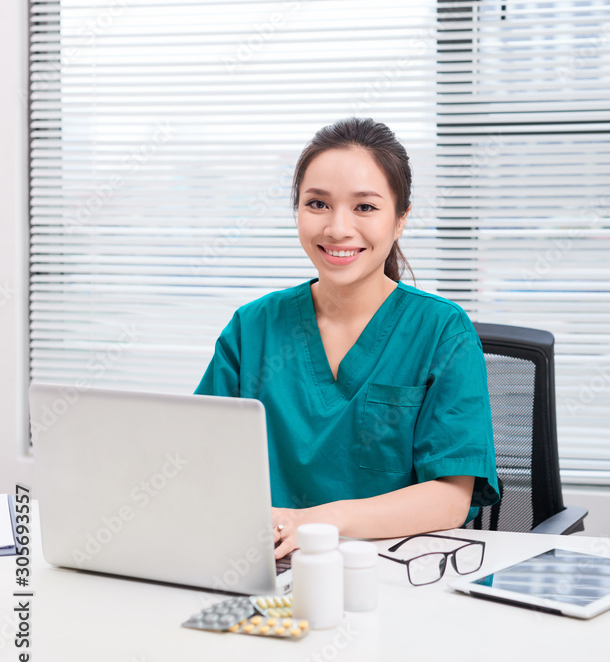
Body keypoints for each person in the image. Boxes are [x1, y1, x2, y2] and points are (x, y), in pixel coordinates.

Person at [195, 117, 499, 557]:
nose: (337, 228)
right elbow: (197, 461)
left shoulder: (441, 332)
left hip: (390, 572)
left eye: (365, 207)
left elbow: (451, 499)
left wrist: (319, 521)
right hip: (264, 566)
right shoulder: (252, 327)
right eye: (317, 204)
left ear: (400, 221)